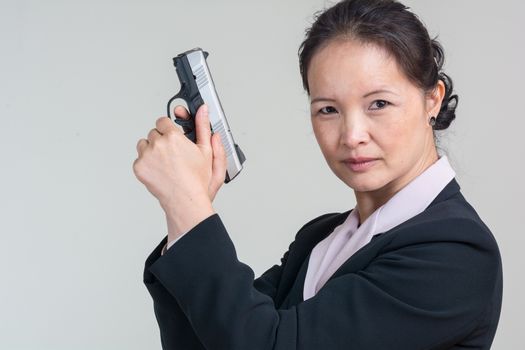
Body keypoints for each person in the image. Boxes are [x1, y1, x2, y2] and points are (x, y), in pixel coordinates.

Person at [132, 0, 502, 348]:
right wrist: (184, 205)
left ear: (432, 100)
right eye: (328, 110)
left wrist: (188, 204)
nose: (352, 135)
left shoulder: (456, 254)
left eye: (379, 104)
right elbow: (213, 338)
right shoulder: (320, 237)